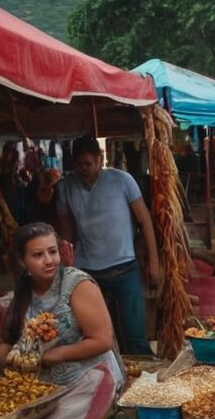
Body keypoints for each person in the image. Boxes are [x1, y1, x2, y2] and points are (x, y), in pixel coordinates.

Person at [0, 223, 129, 419]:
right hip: (52, 388)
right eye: (38, 255)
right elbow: (4, 345)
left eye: (52, 251)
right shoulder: (24, 295)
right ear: (22, 262)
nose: (48, 260)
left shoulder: (77, 285)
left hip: (92, 377)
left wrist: (52, 356)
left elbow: (102, 340)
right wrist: (11, 355)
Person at [55, 136, 160, 356]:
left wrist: (154, 262)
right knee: (94, 338)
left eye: (88, 164)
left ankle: (142, 380)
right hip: (87, 272)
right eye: (79, 164)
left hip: (125, 268)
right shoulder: (66, 187)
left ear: (100, 159)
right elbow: (66, 231)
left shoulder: (122, 180)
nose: (84, 169)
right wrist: (65, 268)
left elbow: (145, 219)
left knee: (135, 336)